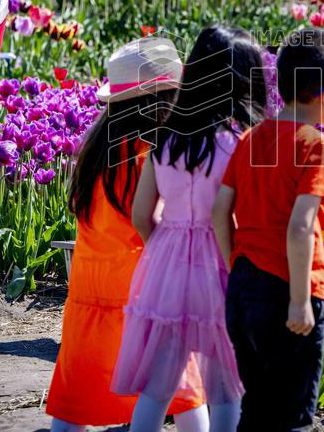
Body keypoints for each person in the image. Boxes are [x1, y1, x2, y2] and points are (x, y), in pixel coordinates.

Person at [46, 37, 209, 432]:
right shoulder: (151, 154)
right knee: (184, 390)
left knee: (77, 395)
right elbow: (153, 220)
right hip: (143, 291)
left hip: (89, 292)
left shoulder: (95, 149)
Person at [112, 25, 267, 432]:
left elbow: (141, 214)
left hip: (167, 265)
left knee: (160, 385)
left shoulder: (165, 141)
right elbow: (234, 215)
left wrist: (163, 248)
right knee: (226, 386)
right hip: (220, 266)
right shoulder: (240, 144)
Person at [213, 26, 324, 432]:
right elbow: (300, 228)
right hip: (290, 291)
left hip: (243, 291)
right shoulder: (317, 147)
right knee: (294, 416)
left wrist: (237, 265)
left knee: (255, 410)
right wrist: (300, 301)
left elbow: (219, 210)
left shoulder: (250, 138)